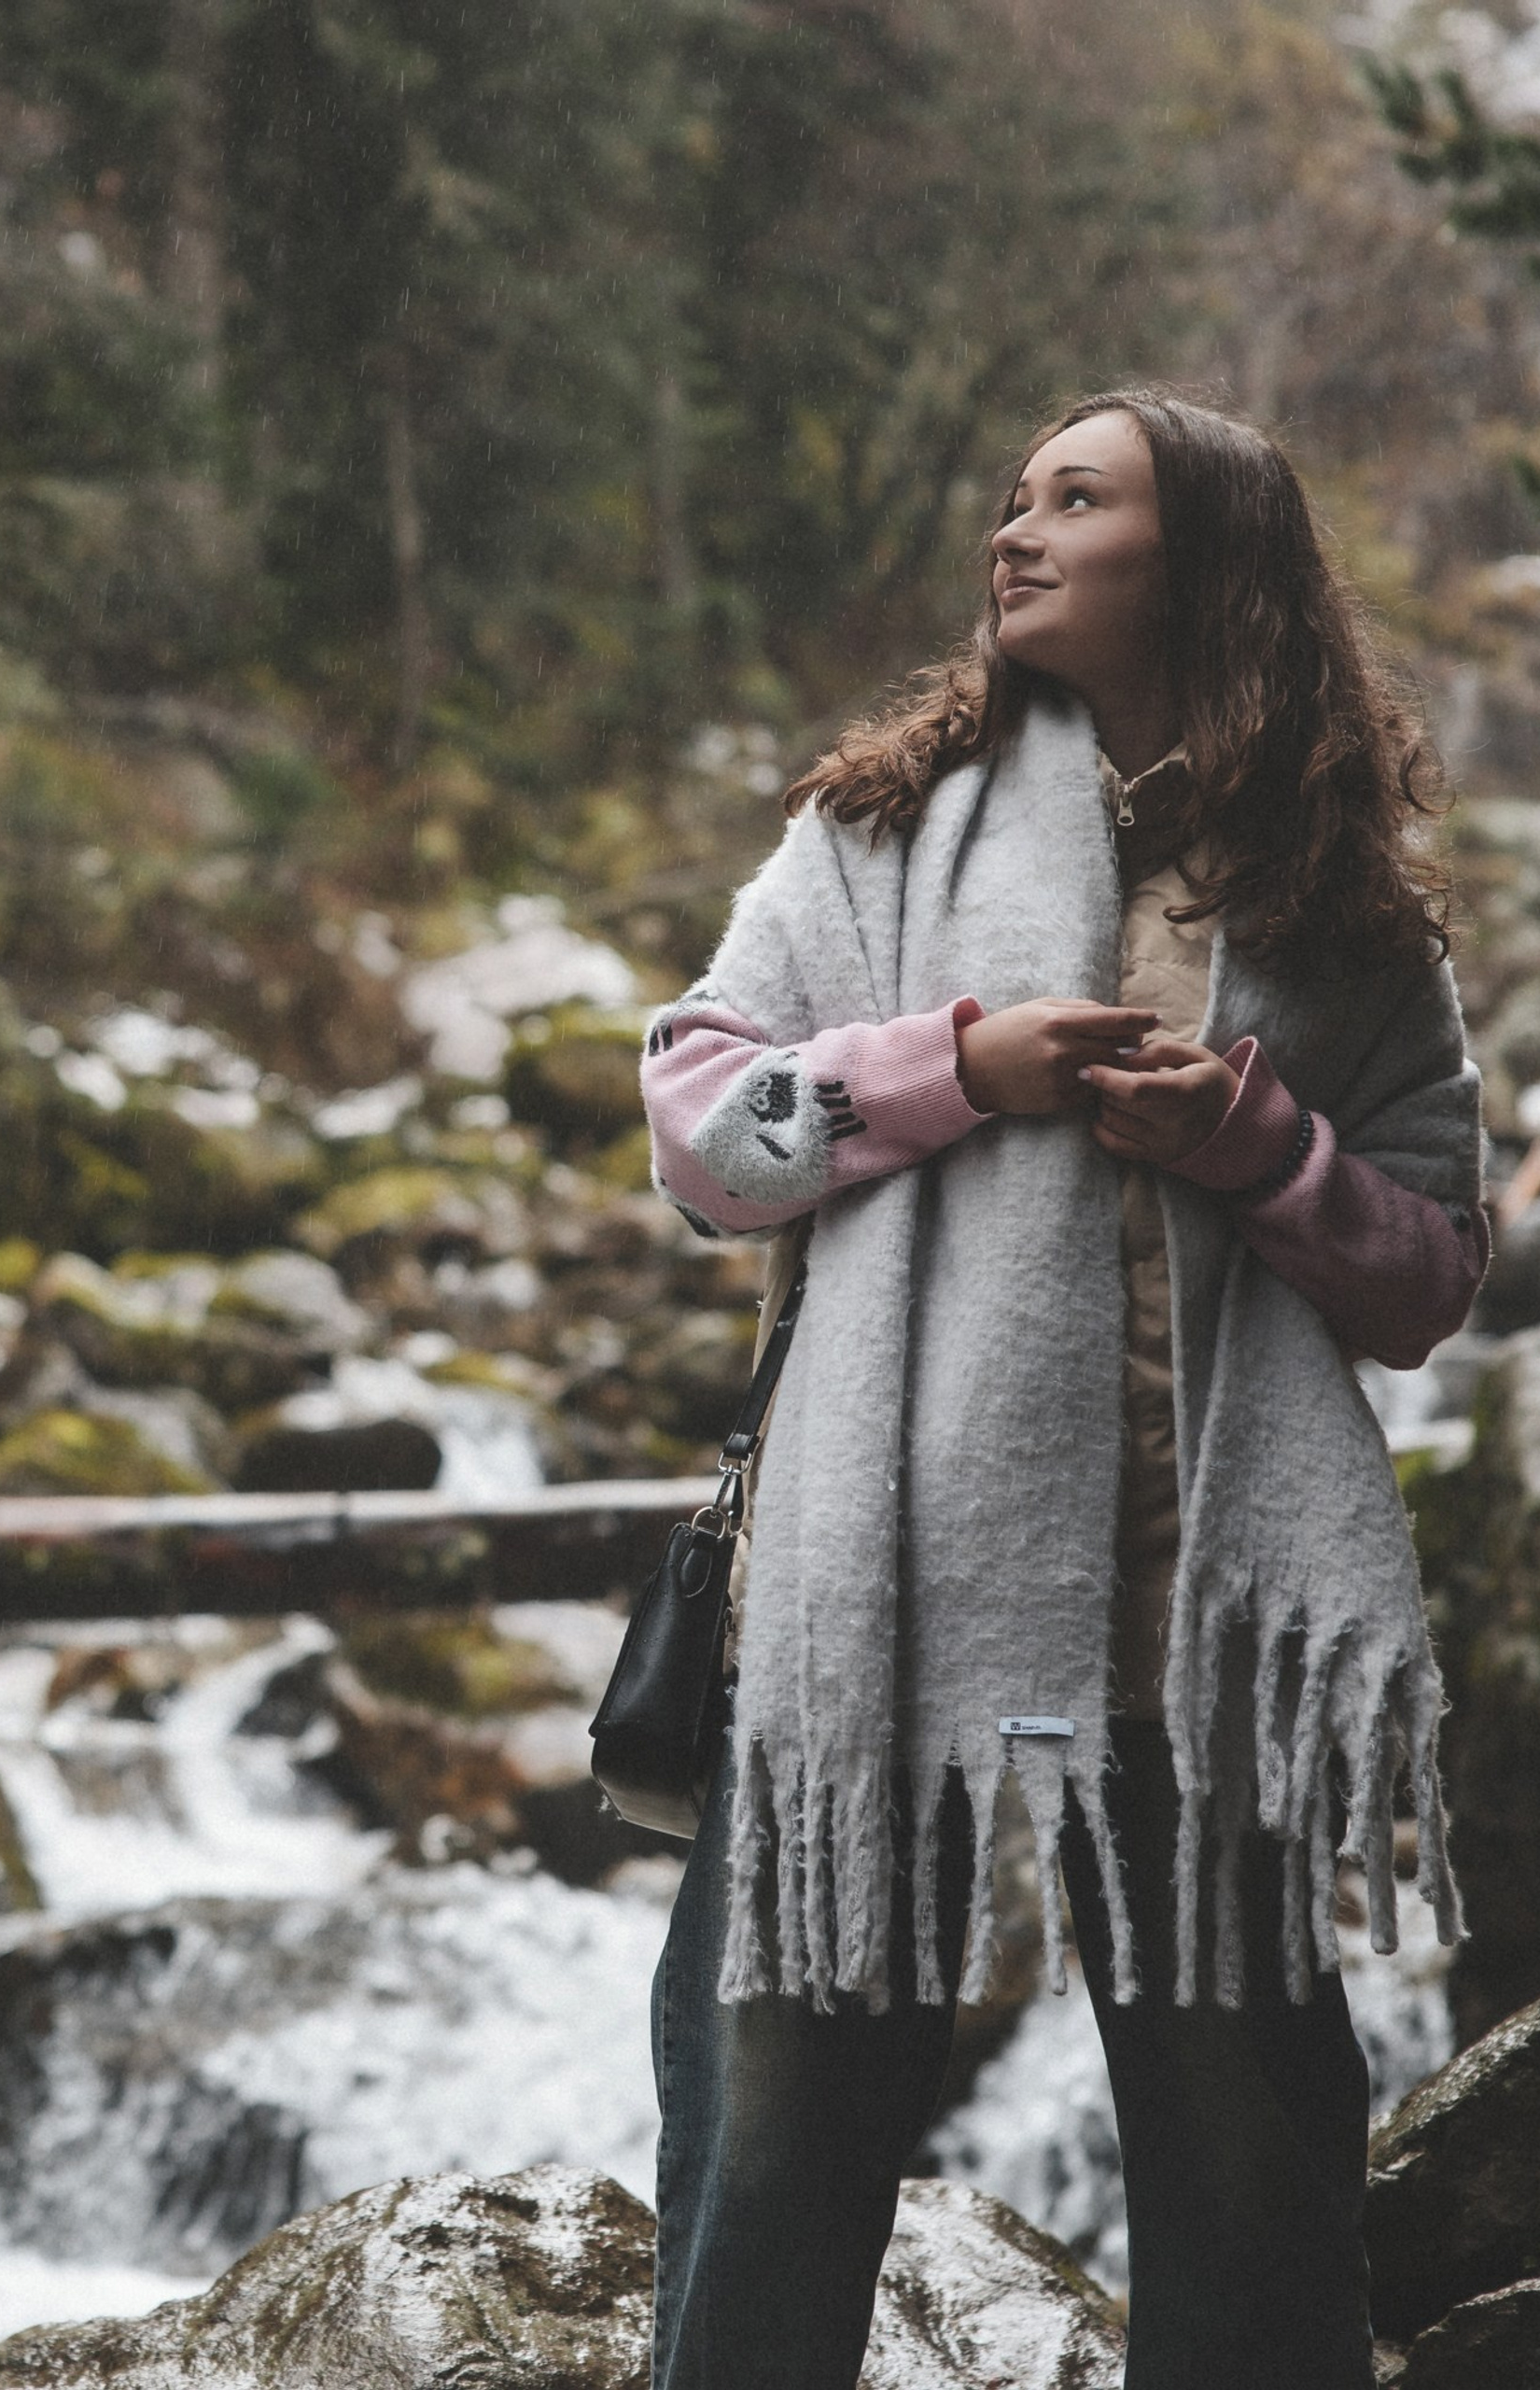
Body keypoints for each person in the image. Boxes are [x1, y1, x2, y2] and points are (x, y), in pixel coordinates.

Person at [637, 387, 1488, 2390]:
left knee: (1249, 2181)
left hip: (1184, 1626)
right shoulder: (873, 834)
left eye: (1072, 500)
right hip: (877, 1605)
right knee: (769, 2157)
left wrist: (1252, 1146)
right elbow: (698, 1139)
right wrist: (954, 1066)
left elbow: (1425, 1273)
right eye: (1013, 499)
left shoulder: (1331, 905)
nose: (1011, 532)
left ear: (1193, 562)